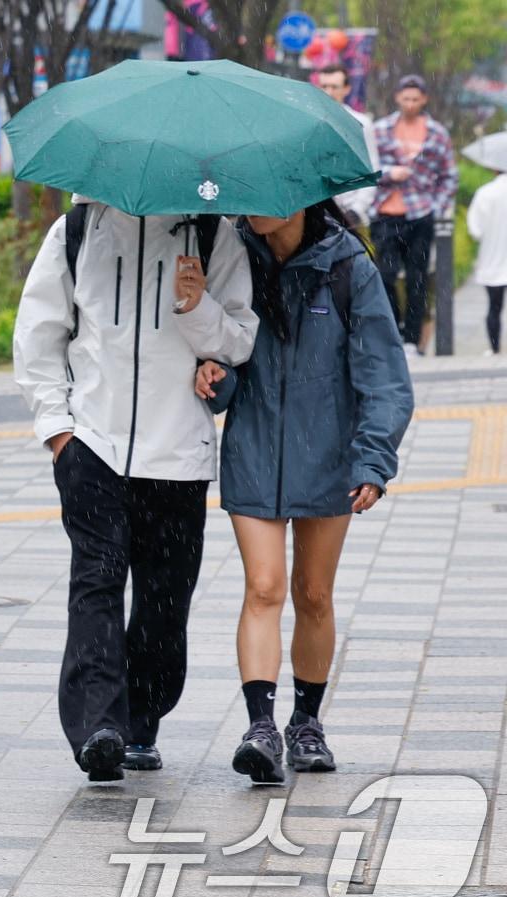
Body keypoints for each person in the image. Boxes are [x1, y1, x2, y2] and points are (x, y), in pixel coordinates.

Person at [14, 200, 258, 781]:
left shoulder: (213, 235)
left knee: (163, 600)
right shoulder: (78, 230)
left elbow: (239, 341)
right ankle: (98, 726)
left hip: (178, 454)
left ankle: (141, 723)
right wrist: (58, 432)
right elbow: (40, 330)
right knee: (96, 582)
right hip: (92, 447)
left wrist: (197, 306)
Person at [196, 199, 413, 784]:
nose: (250, 207)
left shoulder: (347, 266)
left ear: (302, 198)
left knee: (313, 593)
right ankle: (260, 728)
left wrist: (372, 461)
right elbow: (221, 352)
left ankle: (306, 723)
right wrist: (215, 378)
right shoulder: (230, 254)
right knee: (263, 587)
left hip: (329, 460)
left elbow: (386, 379)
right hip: (255, 451)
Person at [370, 75, 458, 357]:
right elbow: (367, 168)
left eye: (415, 99)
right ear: (397, 98)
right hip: (386, 212)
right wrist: (389, 173)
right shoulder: (380, 129)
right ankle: (392, 333)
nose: (410, 104)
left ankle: (411, 340)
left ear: (424, 100)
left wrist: (438, 204)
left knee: (417, 279)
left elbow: (449, 175)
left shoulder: (437, 133)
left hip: (420, 212)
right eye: (405, 98)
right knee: (384, 275)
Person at [314, 64, 379, 229]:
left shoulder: (361, 123)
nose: (329, 92)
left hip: (350, 210)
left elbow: (372, 168)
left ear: (346, 89)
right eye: (324, 86)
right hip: (315, 209)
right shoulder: (309, 122)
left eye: (334, 87)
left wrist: (357, 209)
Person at [466, 168, 507, 355]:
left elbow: (475, 230)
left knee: (494, 307)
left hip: (492, 260)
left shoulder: (485, 193)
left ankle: (494, 347)